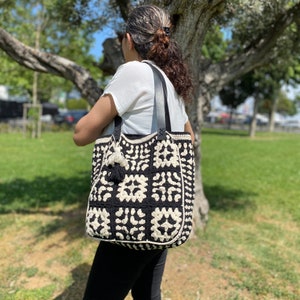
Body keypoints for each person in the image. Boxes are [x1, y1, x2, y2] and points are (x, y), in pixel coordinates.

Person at [73, 4, 194, 300]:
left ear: (128, 39)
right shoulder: (169, 83)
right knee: (148, 295)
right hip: (162, 213)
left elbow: (81, 134)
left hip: (129, 216)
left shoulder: (133, 72)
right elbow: (188, 138)